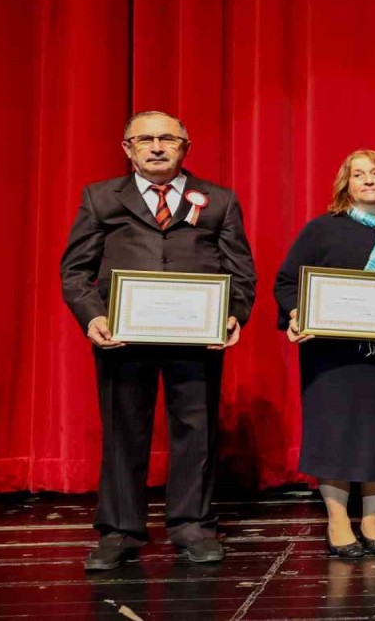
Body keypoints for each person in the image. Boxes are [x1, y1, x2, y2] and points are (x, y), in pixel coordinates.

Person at [60, 111, 257, 570]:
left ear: (185, 146)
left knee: (197, 430)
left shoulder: (219, 201)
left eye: (167, 138)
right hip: (122, 336)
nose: (156, 147)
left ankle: (192, 525)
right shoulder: (101, 197)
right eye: (144, 139)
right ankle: (120, 530)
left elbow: (241, 270)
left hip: (196, 335)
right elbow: (75, 271)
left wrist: (233, 314)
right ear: (127, 148)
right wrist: (92, 317)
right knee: (123, 430)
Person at [274, 150, 375, 557]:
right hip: (331, 356)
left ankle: (373, 518)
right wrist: (295, 313)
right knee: (335, 432)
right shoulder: (322, 231)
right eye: (357, 174)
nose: (367, 180)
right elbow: (288, 282)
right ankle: (338, 518)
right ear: (346, 185)